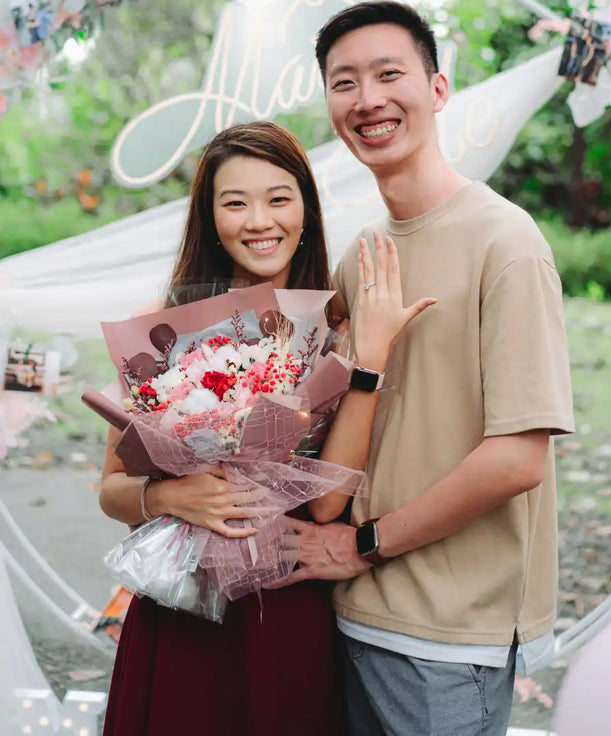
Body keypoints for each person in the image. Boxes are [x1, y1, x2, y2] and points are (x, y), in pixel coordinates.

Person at [280, 1, 575, 736]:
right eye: (344, 82)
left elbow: (516, 459)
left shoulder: (504, 240)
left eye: (389, 74)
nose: (368, 99)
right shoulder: (365, 252)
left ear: (437, 90)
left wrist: (363, 543)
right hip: (349, 618)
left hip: (446, 638)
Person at [99, 121, 433, 736]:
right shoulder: (160, 331)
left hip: (286, 607)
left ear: (305, 206)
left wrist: (370, 361)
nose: (259, 221)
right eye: (235, 202)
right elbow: (112, 492)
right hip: (182, 611)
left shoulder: (336, 325)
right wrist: (171, 495)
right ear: (209, 216)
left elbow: (331, 501)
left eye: (279, 198)